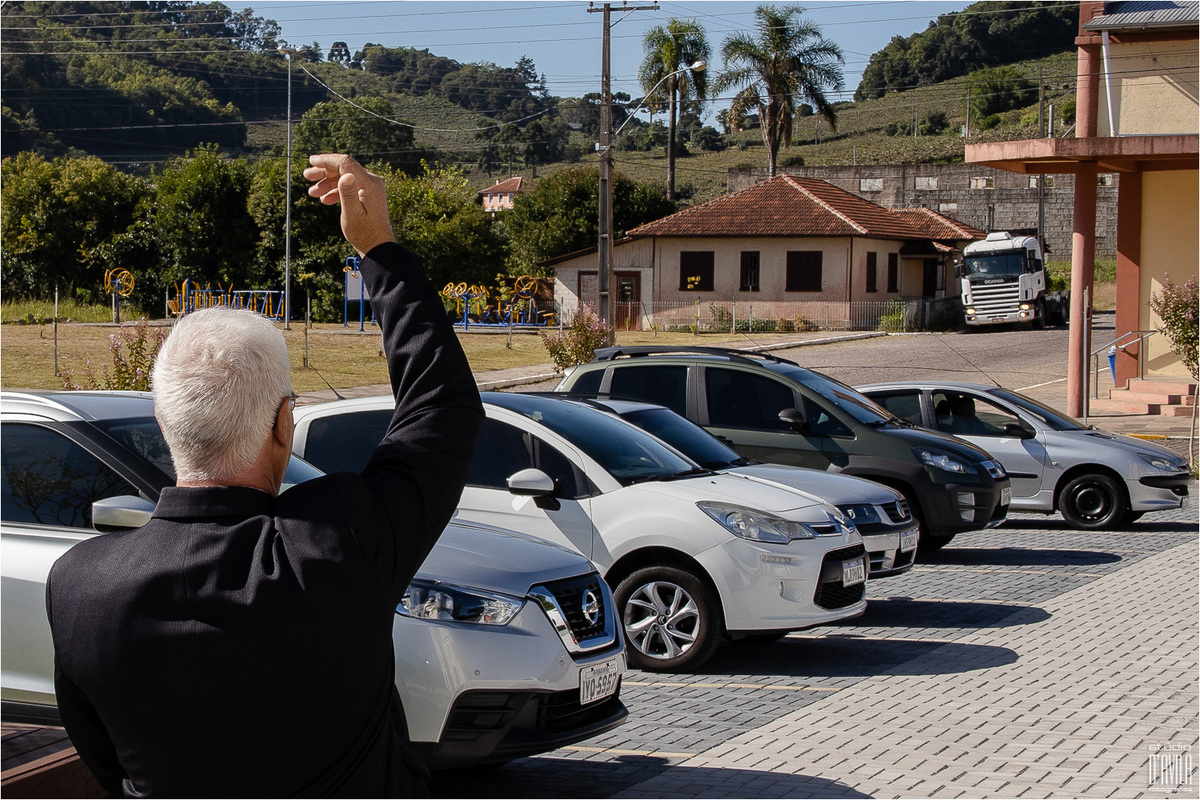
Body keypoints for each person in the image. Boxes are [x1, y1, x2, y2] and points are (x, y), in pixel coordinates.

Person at [45, 154, 484, 797]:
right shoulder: (339, 543)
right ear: (285, 425)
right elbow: (442, 407)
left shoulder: (79, 585)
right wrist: (377, 248)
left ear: (169, 423)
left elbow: (108, 762)